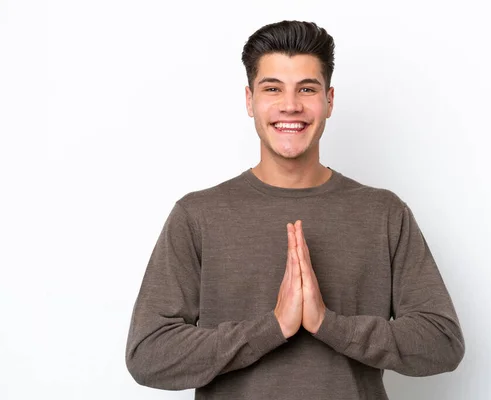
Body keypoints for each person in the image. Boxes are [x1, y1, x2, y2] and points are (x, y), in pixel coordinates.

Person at [125, 20, 465, 399]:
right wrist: (272, 328)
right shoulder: (197, 215)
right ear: (249, 100)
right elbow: (148, 355)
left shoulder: (384, 213)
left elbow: (442, 341)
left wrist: (328, 324)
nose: (290, 105)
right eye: (272, 88)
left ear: (329, 100)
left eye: (307, 89)